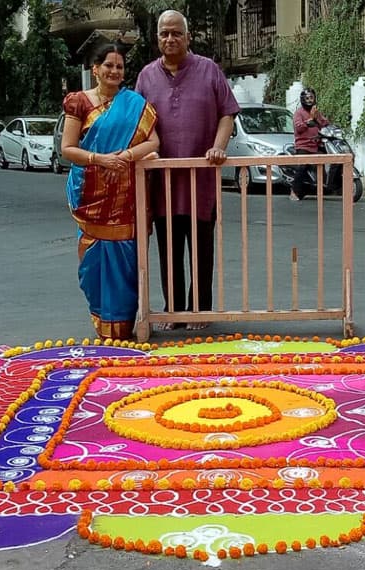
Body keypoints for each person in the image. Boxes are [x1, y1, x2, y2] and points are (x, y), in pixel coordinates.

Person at [135, 9, 240, 332]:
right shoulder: (146, 76)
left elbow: (227, 113)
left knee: (201, 248)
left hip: (201, 179)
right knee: (168, 249)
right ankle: (174, 311)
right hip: (163, 182)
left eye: (176, 33)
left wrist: (219, 146)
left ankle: (200, 309)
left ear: (188, 37)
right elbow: (136, 123)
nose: (170, 39)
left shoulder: (209, 71)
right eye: (164, 33)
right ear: (157, 39)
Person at [61, 44, 160, 340]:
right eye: (109, 66)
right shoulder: (79, 102)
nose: (114, 71)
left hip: (125, 196)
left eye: (119, 66)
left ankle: (125, 325)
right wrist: (100, 159)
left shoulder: (135, 104)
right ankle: (102, 322)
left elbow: (154, 143)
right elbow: (67, 148)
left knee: (127, 262)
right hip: (90, 193)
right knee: (93, 268)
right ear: (96, 69)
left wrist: (125, 157)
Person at [290, 88, 329, 201]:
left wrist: (321, 120)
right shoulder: (299, 113)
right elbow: (298, 127)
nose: (309, 100)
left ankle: (324, 188)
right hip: (303, 146)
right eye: (307, 98)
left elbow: (324, 123)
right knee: (302, 166)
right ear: (303, 100)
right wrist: (308, 122)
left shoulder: (316, 111)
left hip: (316, 145)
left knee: (323, 162)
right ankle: (294, 191)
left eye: (311, 98)